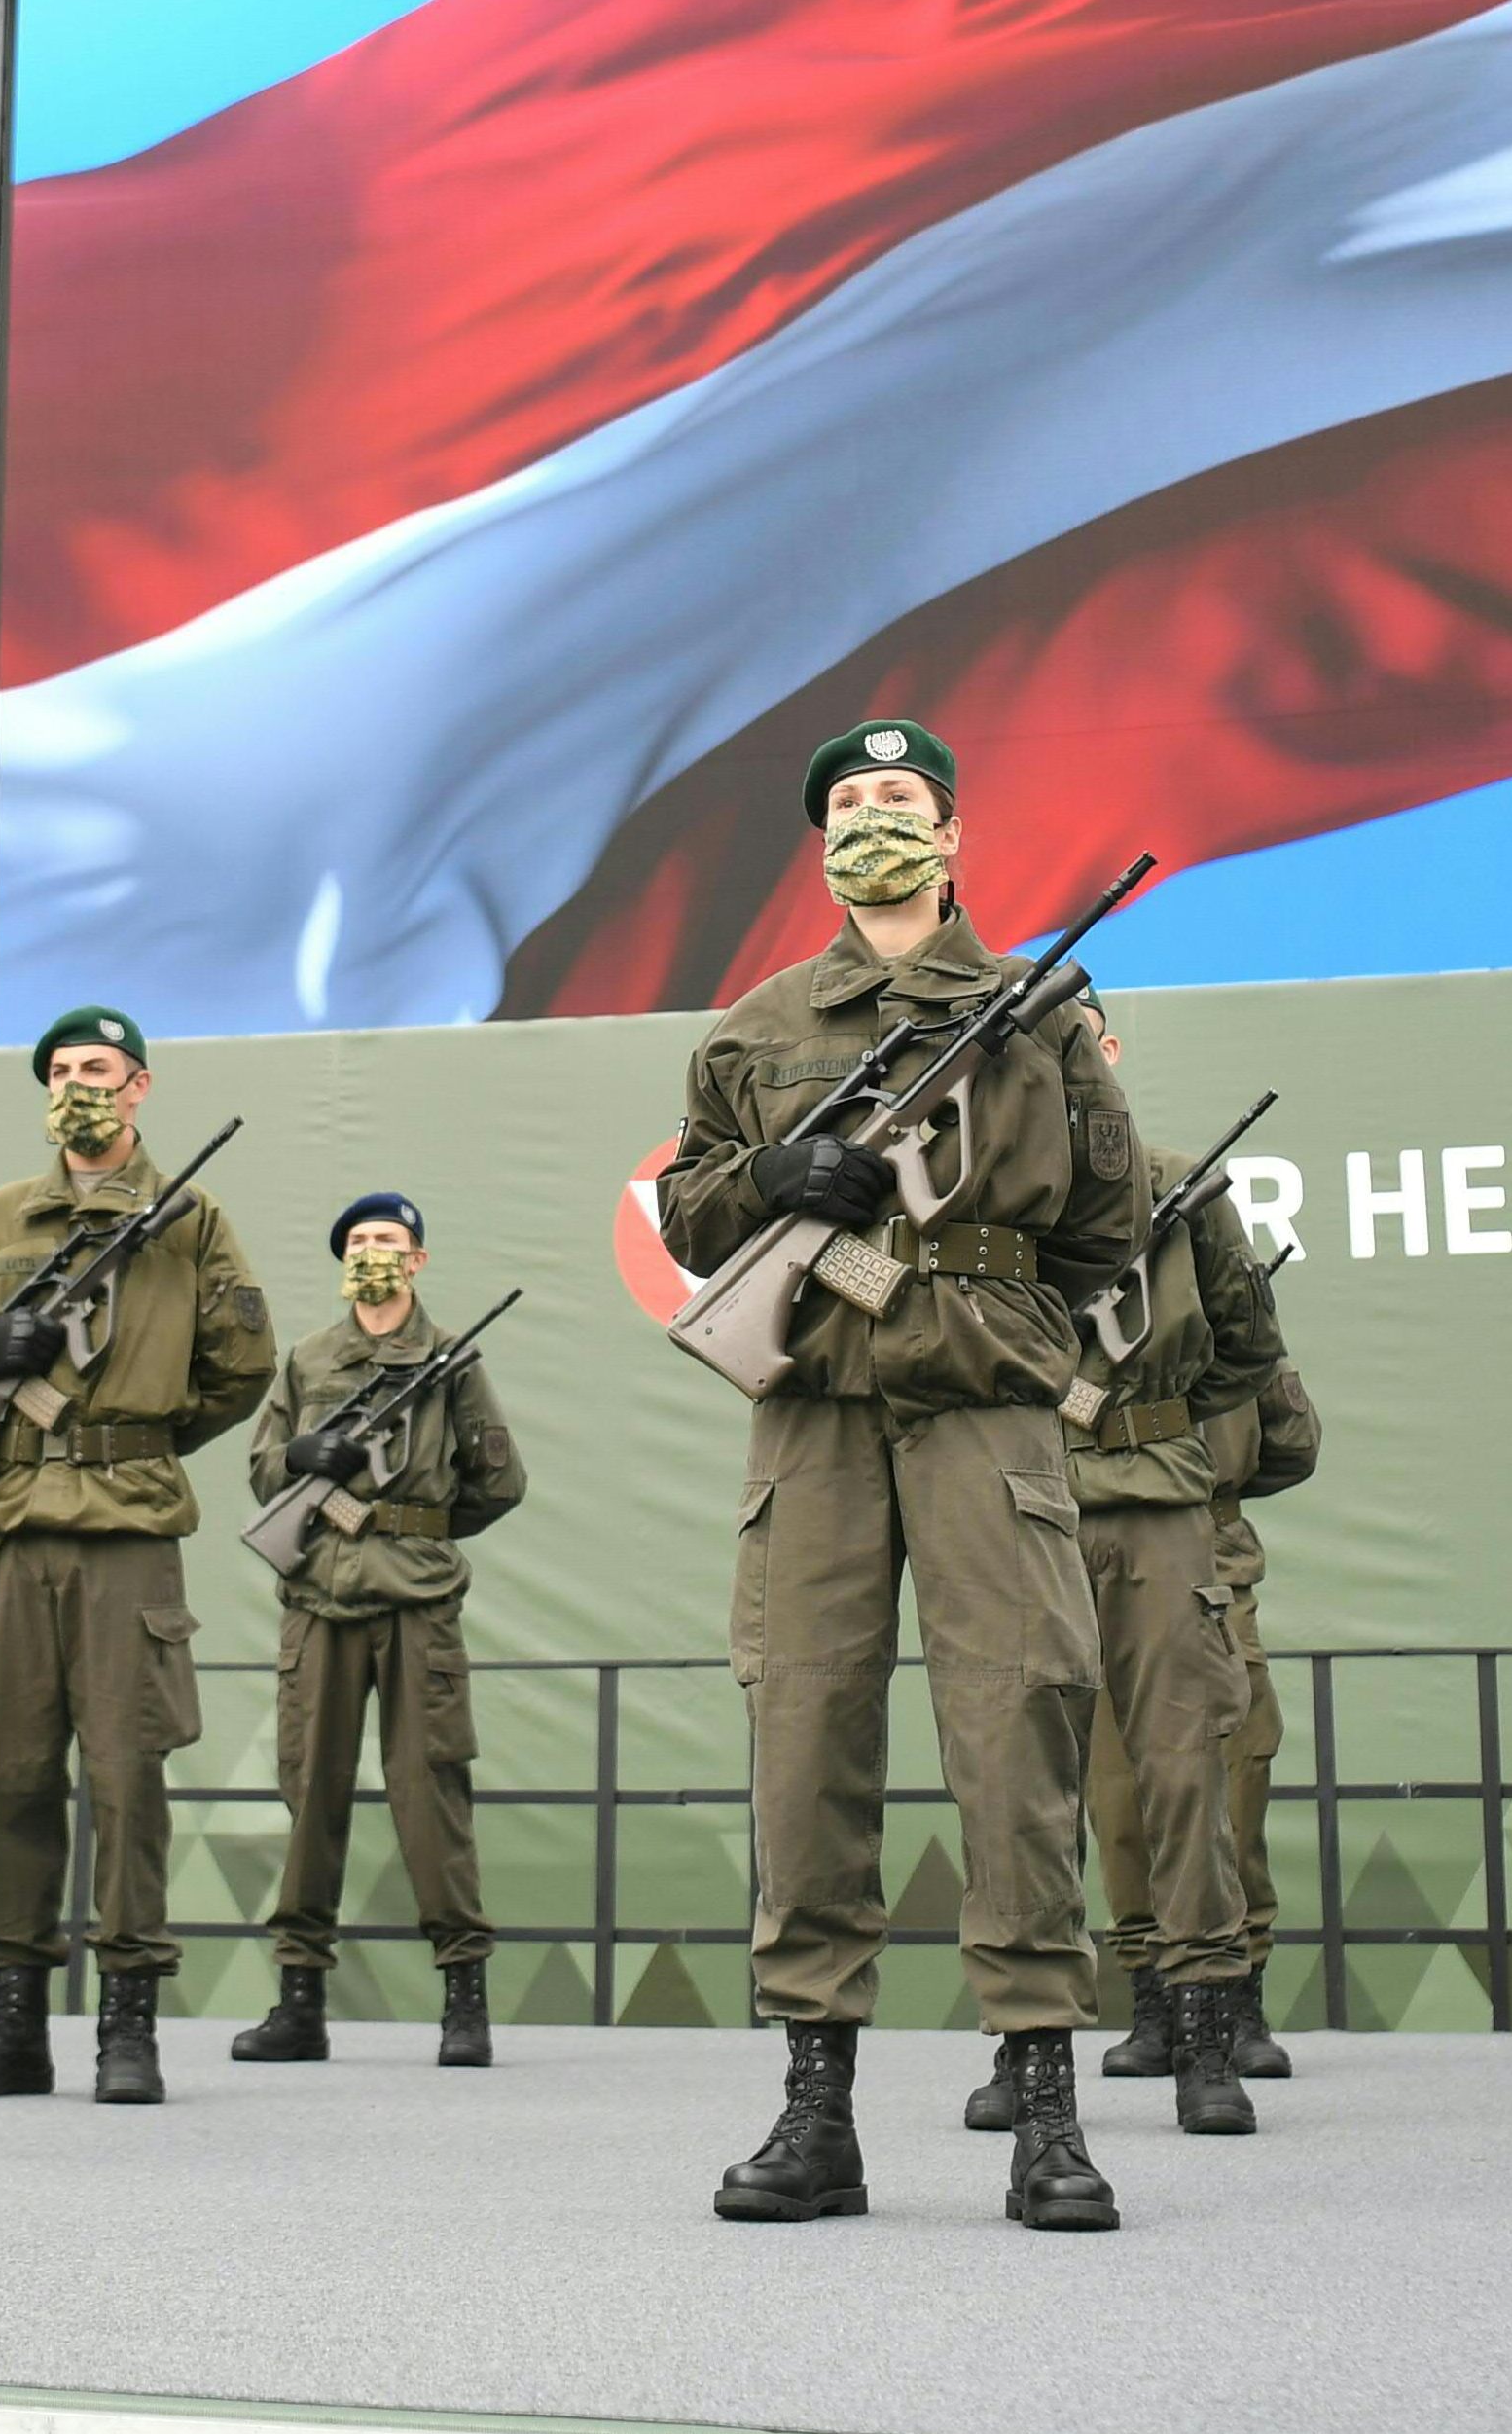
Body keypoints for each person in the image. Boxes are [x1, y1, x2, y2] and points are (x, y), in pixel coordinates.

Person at [656, 718, 1141, 2235]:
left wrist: (969, 1290)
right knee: (805, 1741)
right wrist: (776, 1182)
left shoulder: (1035, 1007)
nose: (876, 819)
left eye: (903, 799)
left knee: (1019, 1732)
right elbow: (686, 1207)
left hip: (985, 1407)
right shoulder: (754, 1026)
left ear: (953, 834)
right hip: (814, 1416)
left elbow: (1110, 1219)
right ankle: (817, 2111)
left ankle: (1044, 2111)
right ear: (823, 842)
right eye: (851, 802)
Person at [0, 1005, 272, 2107]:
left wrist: (138, 1440)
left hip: (127, 1529)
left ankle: (130, 2026)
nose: (81, 1084)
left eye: (101, 1069)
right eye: (63, 1069)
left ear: (140, 1088)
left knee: (128, 1780)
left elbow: (242, 1365)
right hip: (10, 1523)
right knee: (5, 1775)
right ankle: (12, 2025)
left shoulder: (189, 1217)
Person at [1028, 1003, 1283, 2136]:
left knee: (1186, 1773)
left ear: (1107, 1051)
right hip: (1022, 1510)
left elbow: (1248, 1345)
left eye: (1077, 1034)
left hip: (1161, 1509)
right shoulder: (988, 1196)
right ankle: (1024, 2040)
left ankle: (1204, 2027)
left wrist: (1141, 1421)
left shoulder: (1186, 1188)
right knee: (1021, 1784)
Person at [230, 1191, 525, 2071]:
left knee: (430, 1793)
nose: (372, 1252)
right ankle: (299, 2001)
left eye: (388, 1239)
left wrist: (412, 1524)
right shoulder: (311, 1358)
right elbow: (259, 1464)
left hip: (417, 1602)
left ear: (418, 1258)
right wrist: (300, 1460)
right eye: (358, 1240)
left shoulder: (451, 1360)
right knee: (309, 1793)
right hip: (320, 1596)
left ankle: (463, 1998)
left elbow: (497, 1481)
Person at [1193, 1354, 1320, 2065]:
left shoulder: (1220, 1296)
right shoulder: (1070, 1277)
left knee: (1239, 1775)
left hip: (1211, 1554)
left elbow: (1293, 1444)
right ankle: (1159, 1997)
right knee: (1114, 1795)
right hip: (1089, 1545)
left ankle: (1238, 1990)